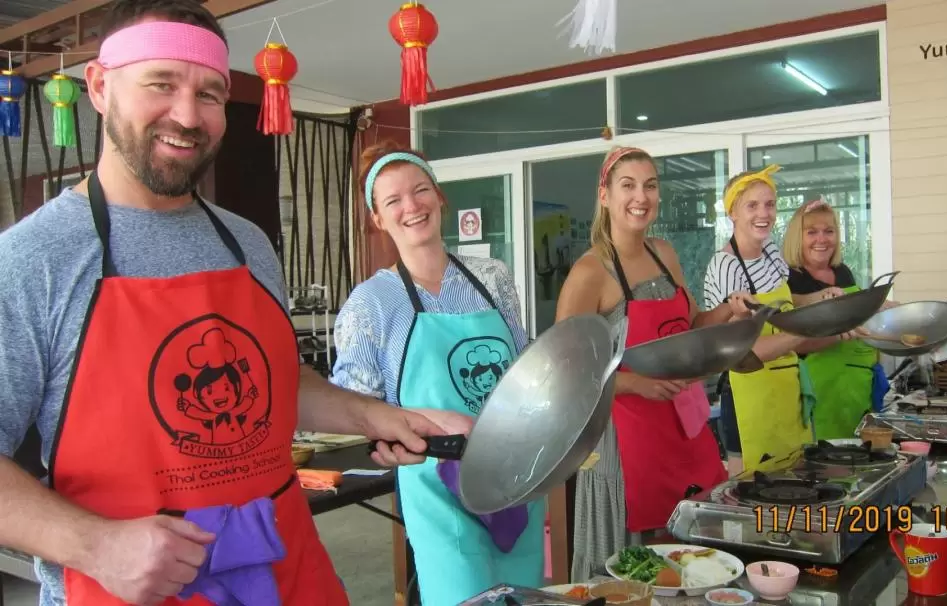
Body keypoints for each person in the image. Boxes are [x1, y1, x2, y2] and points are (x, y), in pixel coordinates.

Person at [0, 3, 450, 606]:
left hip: (284, 573)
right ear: (101, 87)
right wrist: (94, 544)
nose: (187, 116)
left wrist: (383, 417)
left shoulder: (246, 243)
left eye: (209, 93)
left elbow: (274, 387)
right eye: (161, 83)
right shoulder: (35, 259)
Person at [330, 140, 545, 605]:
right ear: (377, 218)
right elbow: (350, 407)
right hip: (438, 488)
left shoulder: (491, 278)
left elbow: (523, 363)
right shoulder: (372, 303)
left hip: (512, 476)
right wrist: (405, 425)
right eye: (393, 200)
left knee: (525, 599)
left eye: (420, 190)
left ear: (439, 196)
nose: (412, 206)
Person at [556, 146, 731, 582]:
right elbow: (565, 372)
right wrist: (636, 386)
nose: (641, 196)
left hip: (682, 428)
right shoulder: (591, 272)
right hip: (622, 439)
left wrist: (730, 312)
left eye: (650, 185)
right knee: (631, 571)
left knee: (691, 562)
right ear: (605, 195)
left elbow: (690, 327)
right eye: (628, 185)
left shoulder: (664, 253)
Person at [702, 166, 851, 475]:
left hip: (785, 387)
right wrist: (810, 330)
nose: (764, 213)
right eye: (752, 205)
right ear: (732, 212)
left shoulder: (770, 250)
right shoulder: (726, 266)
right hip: (748, 398)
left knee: (794, 491)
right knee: (754, 498)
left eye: (769, 204)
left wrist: (822, 299)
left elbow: (785, 301)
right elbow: (745, 350)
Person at [782, 198, 893, 439]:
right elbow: (794, 343)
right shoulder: (789, 279)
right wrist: (840, 332)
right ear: (796, 237)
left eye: (829, 231)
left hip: (857, 389)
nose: (822, 239)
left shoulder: (842, 272)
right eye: (811, 232)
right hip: (817, 392)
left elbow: (860, 310)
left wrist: (897, 312)